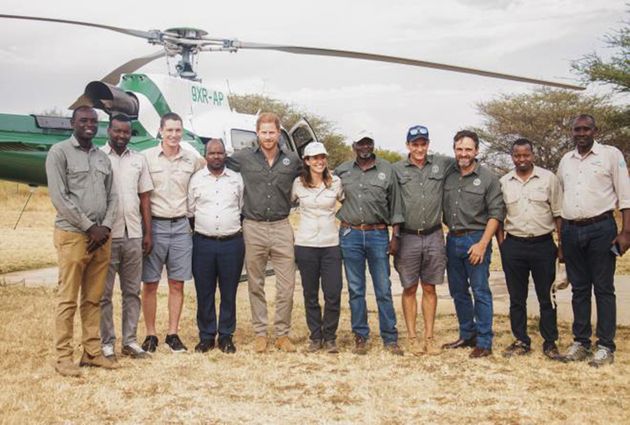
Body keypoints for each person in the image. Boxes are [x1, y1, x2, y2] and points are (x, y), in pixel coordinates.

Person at [45, 106, 119, 376]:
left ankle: (91, 352)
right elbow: (59, 197)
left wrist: (106, 227)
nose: (89, 125)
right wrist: (89, 227)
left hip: (102, 238)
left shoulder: (102, 158)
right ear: (73, 123)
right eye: (83, 120)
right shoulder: (59, 153)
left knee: (94, 298)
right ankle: (63, 357)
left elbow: (113, 196)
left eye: (93, 121)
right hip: (73, 235)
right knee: (68, 298)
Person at [557, 114, 630, 367]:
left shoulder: (611, 155)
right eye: (577, 129)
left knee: (603, 288)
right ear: (572, 132)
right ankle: (581, 342)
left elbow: (625, 196)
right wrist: (561, 240)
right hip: (571, 229)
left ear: (594, 130)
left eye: (586, 129)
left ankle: (606, 345)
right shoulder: (566, 160)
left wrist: (626, 232)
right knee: (579, 289)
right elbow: (561, 197)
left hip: (601, 229)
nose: (581, 133)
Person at [227, 112, 302, 353]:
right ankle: (260, 333)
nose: (268, 137)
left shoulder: (292, 160)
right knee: (255, 283)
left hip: (281, 226)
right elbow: (217, 163)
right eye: (264, 132)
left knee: (287, 285)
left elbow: (313, 175)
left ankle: (282, 334)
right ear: (257, 133)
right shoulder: (243, 158)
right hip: (253, 227)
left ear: (279, 133)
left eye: (272, 132)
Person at [335, 130, 405, 356]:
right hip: (350, 234)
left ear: (373, 144)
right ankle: (360, 336)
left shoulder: (387, 170)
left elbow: (395, 206)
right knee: (356, 289)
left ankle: (390, 337)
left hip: (378, 235)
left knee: (383, 288)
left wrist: (396, 236)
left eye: (368, 143)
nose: (365, 147)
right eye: (360, 143)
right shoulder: (342, 171)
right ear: (353, 145)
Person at [141, 112, 205, 353]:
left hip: (180, 227)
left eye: (178, 130)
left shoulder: (191, 160)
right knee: (150, 283)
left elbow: (209, 170)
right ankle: (150, 334)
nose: (174, 135)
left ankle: (173, 333)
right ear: (160, 131)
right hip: (154, 225)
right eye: (169, 130)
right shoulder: (146, 158)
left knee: (177, 284)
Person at [391, 125, 455, 356]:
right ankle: (412, 337)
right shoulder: (396, 169)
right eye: (415, 144)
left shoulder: (441, 164)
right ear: (408, 145)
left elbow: (464, 160)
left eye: (423, 143)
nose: (419, 148)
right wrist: (394, 236)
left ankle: (429, 336)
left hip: (434, 234)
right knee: (409, 288)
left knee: (429, 287)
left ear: (428, 144)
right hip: (407, 236)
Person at [441, 130, 505, 358]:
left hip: (476, 238)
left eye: (468, 149)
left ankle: (485, 342)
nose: (464, 153)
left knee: (480, 291)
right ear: (454, 150)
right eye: (459, 149)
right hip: (453, 239)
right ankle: (467, 334)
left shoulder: (488, 178)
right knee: (458, 291)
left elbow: (496, 215)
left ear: (477, 151)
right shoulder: (448, 175)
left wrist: (482, 244)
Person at [498, 138, 561, 359]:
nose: (522, 159)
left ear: (532, 155)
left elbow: (558, 213)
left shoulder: (548, 179)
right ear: (512, 157)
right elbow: (498, 216)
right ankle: (521, 340)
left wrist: (561, 245)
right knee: (517, 298)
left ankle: (550, 342)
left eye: (526, 155)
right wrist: (503, 246)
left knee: (547, 297)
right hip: (514, 245)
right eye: (517, 155)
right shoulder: (505, 182)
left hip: (543, 245)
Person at [99, 115, 153, 361]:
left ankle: (130, 341)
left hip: (133, 234)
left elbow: (145, 199)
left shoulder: (138, 160)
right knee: (104, 294)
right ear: (109, 130)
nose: (121, 135)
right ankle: (107, 343)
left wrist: (147, 232)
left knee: (132, 291)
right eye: (117, 131)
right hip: (107, 235)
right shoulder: (98, 157)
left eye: (126, 132)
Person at [188, 138, 245, 354]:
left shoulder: (236, 179)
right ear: (205, 155)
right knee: (205, 291)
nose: (216, 157)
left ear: (225, 155)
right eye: (211, 153)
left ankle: (226, 336)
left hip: (232, 243)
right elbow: (191, 211)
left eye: (220, 153)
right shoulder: (196, 180)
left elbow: (241, 207)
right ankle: (206, 336)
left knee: (229, 291)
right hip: (203, 243)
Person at [292, 142, 344, 353]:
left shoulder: (336, 182)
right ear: (306, 161)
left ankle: (330, 336)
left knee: (333, 292)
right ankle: (316, 336)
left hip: (330, 244)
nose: (319, 161)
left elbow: (345, 202)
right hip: (306, 245)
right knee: (310, 293)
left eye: (322, 157)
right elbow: (287, 201)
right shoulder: (297, 183)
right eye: (314, 158)